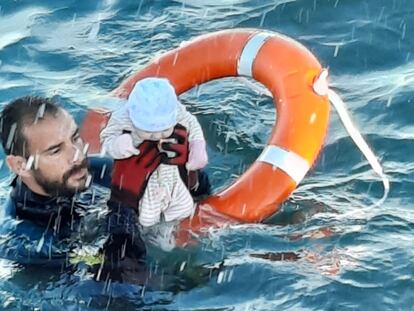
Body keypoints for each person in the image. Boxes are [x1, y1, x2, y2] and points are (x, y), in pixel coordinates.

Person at [0, 95, 206, 283]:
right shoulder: (25, 241)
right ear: (20, 165)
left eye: (75, 138)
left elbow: (199, 198)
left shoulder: (94, 172)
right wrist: (124, 202)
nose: (78, 156)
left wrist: (185, 173)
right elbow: (121, 286)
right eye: (55, 151)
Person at [100, 77, 208, 249]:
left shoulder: (178, 113)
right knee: (123, 225)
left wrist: (198, 149)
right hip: (134, 185)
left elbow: (193, 127)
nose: (158, 137)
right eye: (149, 132)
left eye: (165, 130)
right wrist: (118, 144)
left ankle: (196, 207)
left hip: (173, 174)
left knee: (196, 188)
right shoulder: (123, 117)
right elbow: (108, 136)